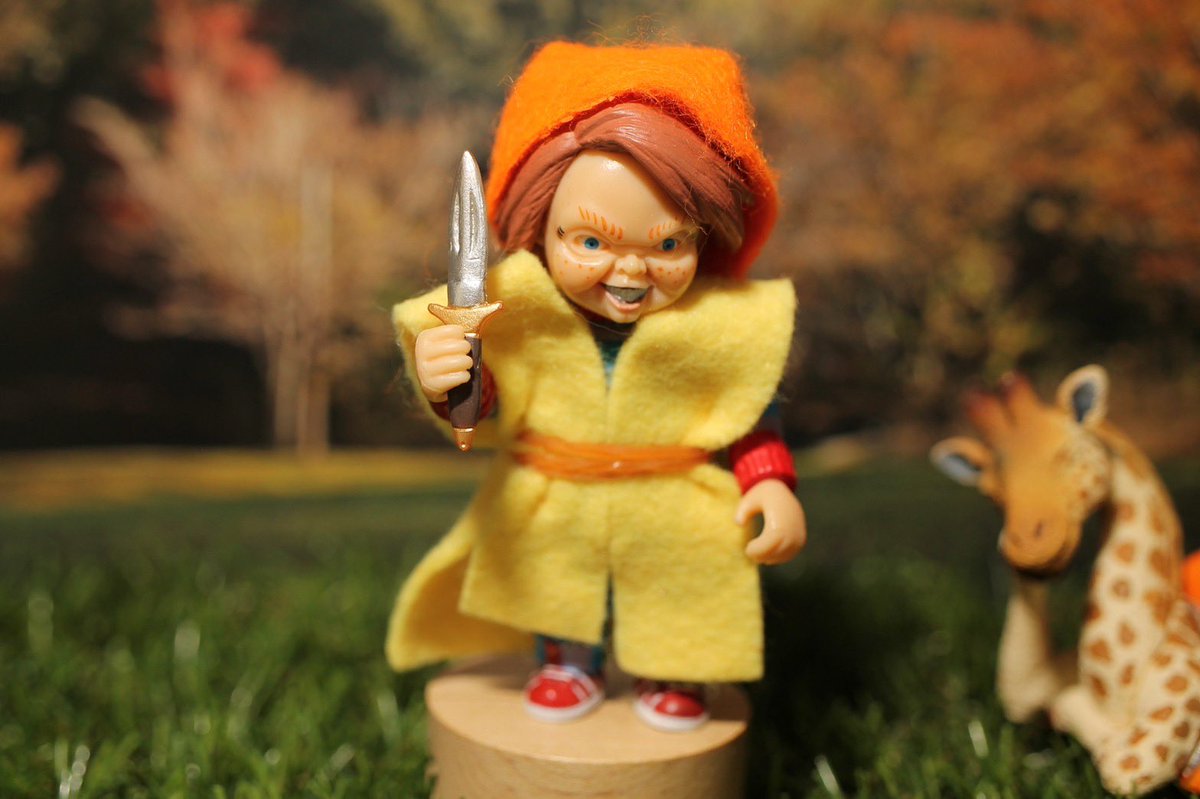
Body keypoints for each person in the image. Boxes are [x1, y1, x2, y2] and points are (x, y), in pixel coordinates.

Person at [386, 42, 806, 732]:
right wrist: (451, 378)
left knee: (680, 583)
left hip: (673, 497)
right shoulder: (519, 316)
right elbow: (492, 407)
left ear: (706, 237)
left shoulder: (721, 328)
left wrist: (769, 482)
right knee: (557, 577)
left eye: (668, 246)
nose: (630, 272)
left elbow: (749, 414)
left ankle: (673, 668)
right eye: (590, 242)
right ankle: (566, 660)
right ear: (540, 227)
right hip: (558, 494)